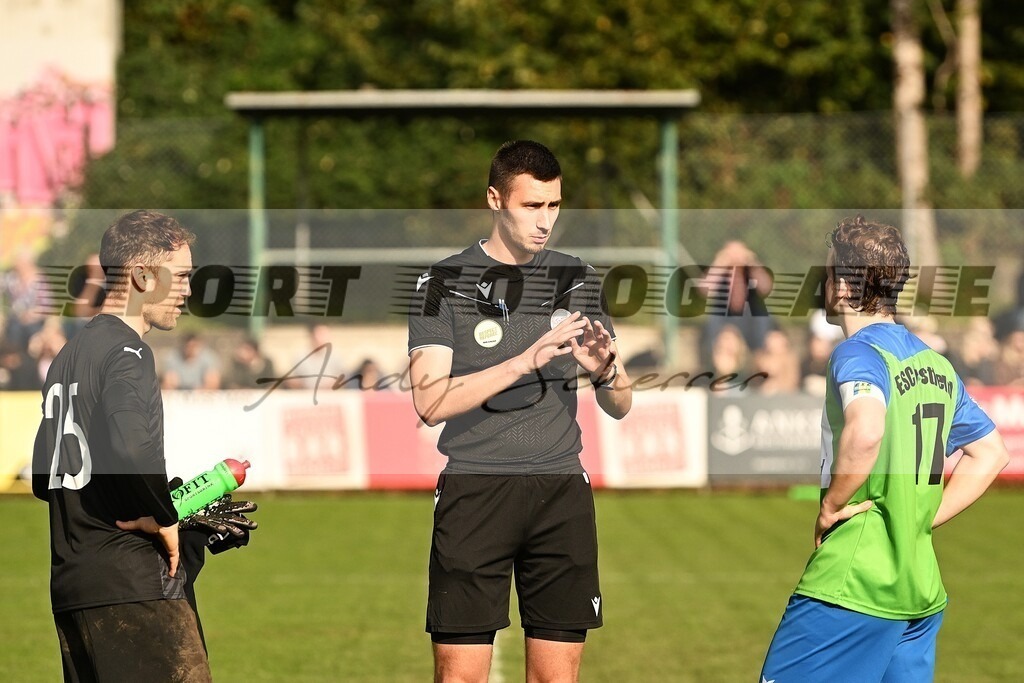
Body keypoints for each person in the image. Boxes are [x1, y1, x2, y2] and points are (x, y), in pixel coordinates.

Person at [408, 140, 632, 683]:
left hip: (560, 490)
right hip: (476, 489)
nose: (545, 220)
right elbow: (429, 401)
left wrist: (606, 370)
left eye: (553, 206)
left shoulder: (577, 276)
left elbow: (621, 404)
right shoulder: (443, 281)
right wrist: (523, 361)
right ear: (495, 199)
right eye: (532, 206)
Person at [760, 215, 1010, 682]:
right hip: (920, 589)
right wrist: (918, 514)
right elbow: (991, 452)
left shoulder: (857, 353)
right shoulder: (936, 363)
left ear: (843, 287)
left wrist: (830, 507)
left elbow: (866, 431)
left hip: (855, 582)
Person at [32, 210, 256, 682]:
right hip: (134, 585)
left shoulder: (68, 357)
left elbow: (42, 475)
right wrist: (165, 514)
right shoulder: (128, 351)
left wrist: (164, 499)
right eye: (181, 277)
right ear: (140, 276)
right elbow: (132, 453)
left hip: (75, 587)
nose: (189, 290)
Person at [697, 240, 774, 369]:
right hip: (725, 314)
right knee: (713, 319)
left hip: (748, 314)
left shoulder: (752, 271)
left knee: (763, 316)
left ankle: (760, 357)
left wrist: (752, 262)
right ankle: (715, 361)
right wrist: (720, 262)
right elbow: (704, 290)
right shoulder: (720, 272)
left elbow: (767, 288)